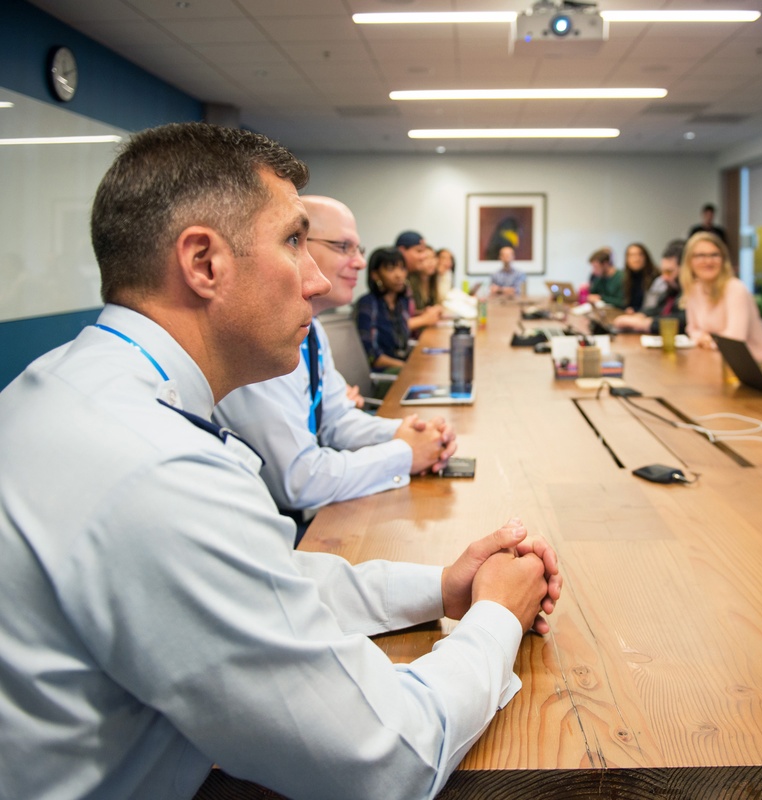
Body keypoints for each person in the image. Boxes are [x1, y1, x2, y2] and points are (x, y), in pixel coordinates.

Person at [0, 122, 561, 800]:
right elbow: (388, 759)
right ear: (204, 263)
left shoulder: (73, 384)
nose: (320, 277)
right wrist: (496, 616)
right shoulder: (158, 470)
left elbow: (260, 583)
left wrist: (442, 586)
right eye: (295, 241)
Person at [214, 195, 458, 527]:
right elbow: (299, 480)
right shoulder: (260, 339)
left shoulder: (312, 329)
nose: (359, 262)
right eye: (344, 246)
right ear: (296, 246)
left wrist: (406, 433)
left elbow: (335, 420)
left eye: (359, 249)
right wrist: (405, 453)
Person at [680, 231, 762, 361]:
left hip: (754, 365)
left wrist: (709, 341)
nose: (708, 261)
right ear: (689, 261)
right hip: (715, 360)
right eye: (700, 255)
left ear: (723, 259)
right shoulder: (694, 289)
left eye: (714, 255)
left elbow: (735, 340)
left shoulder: (735, 289)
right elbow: (692, 329)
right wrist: (703, 338)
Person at [355, 247, 412, 370]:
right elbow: (372, 356)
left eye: (402, 268)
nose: (399, 275)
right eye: (391, 269)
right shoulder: (368, 303)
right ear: (375, 275)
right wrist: (407, 367)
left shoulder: (400, 303)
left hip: (403, 367)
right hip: (384, 373)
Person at [611, 239, 685, 334]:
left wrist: (644, 323)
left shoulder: (689, 292)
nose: (664, 278)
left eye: (669, 272)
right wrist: (641, 315)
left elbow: (682, 318)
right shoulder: (671, 291)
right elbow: (658, 309)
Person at [396, 230, 443, 331]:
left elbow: (403, 314)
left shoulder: (407, 279)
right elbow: (390, 324)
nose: (424, 257)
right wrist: (424, 319)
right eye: (419, 251)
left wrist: (423, 313)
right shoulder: (395, 281)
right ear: (402, 251)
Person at [621, 242, 658, 312]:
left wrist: (636, 311)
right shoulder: (626, 277)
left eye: (640, 255)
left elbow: (654, 306)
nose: (636, 259)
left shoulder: (655, 276)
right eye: (632, 255)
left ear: (646, 257)